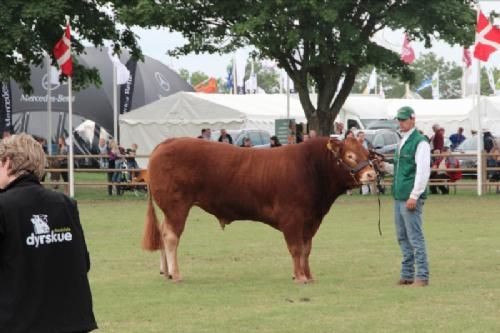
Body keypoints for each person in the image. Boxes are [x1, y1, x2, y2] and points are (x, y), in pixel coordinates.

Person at [0, 133, 97, 333]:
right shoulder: (65, 204)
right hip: (71, 321)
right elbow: (83, 262)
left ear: (7, 162)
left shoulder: (4, 206)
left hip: (19, 323)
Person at [377, 106, 431, 287]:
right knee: (402, 237)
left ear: (412, 119)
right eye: (399, 120)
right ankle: (407, 274)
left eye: (404, 119)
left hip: (409, 197)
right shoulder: (403, 141)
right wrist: (385, 166)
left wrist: (414, 195)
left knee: (415, 237)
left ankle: (422, 276)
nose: (401, 123)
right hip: (399, 196)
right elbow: (401, 168)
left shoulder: (420, 142)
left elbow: (423, 172)